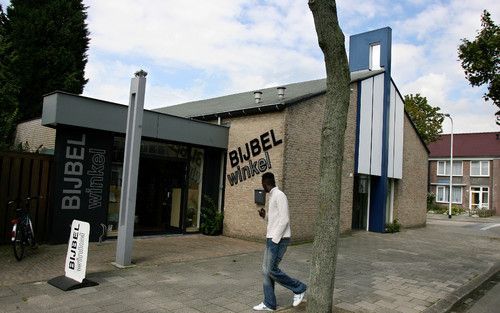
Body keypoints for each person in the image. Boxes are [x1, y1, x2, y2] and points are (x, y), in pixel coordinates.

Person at [253, 172, 307, 311]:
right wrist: (265, 216)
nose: (262, 186)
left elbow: (284, 220)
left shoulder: (280, 195)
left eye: (262, 183)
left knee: (271, 270)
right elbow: (275, 220)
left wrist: (275, 240)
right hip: (272, 238)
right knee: (266, 271)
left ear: (265, 183)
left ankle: (299, 288)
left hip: (279, 239)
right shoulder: (272, 197)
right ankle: (269, 303)